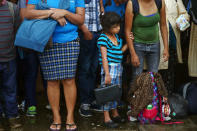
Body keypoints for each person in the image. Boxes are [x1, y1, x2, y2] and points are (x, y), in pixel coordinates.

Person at [25, 0, 85, 131]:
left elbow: (80, 20)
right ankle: (56, 117)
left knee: (69, 80)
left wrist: (64, 13)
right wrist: (51, 13)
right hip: (46, 41)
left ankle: (70, 117)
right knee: (52, 81)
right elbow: (28, 13)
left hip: (70, 41)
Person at [125, 0, 169, 83]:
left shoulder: (159, 2)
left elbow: (163, 25)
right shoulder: (132, 4)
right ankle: (134, 96)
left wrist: (166, 48)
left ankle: (151, 96)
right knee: (137, 76)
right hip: (138, 44)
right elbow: (127, 30)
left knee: (154, 76)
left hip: (155, 44)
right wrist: (133, 54)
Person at [97, 12, 127, 128]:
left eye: (118, 26)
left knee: (115, 92)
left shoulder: (117, 38)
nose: (118, 28)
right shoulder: (103, 38)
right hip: (108, 68)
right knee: (107, 93)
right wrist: (107, 74)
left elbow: (119, 52)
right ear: (107, 27)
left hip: (118, 67)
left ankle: (115, 113)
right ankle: (106, 117)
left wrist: (129, 43)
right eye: (115, 27)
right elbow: (104, 58)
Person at [77, 0, 103, 118]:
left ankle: (92, 100)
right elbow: (74, 11)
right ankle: (84, 103)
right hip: (86, 33)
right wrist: (84, 30)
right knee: (85, 69)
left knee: (94, 68)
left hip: (98, 32)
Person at [159, 0, 190, 93]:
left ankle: (168, 103)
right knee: (155, 76)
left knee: (169, 76)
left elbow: (185, 15)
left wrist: (180, 22)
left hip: (172, 44)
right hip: (156, 45)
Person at [0, 0, 22, 129]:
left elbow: (17, 31)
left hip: (9, 59)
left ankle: (12, 117)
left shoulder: (12, 9)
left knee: (11, 89)